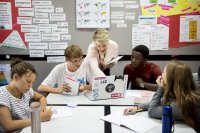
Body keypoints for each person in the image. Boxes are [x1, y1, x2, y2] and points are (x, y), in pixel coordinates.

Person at [124, 60, 200, 132]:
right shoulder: (180, 93)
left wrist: (160, 87)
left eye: (164, 73)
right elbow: (161, 102)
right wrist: (138, 108)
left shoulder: (181, 103)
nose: (161, 75)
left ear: (172, 79)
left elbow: (152, 111)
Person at [0, 58, 52, 133]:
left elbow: (41, 97)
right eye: (28, 81)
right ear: (16, 77)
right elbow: (8, 126)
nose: (30, 86)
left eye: (32, 82)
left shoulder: (26, 91)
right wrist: (39, 118)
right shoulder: (2, 94)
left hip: (27, 128)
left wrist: (43, 108)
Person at [38, 44, 105, 94]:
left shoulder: (85, 65)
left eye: (81, 59)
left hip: (81, 99)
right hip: (63, 100)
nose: (79, 63)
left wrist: (85, 87)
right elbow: (40, 88)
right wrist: (58, 89)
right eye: (75, 61)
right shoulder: (59, 68)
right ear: (67, 60)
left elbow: (97, 85)